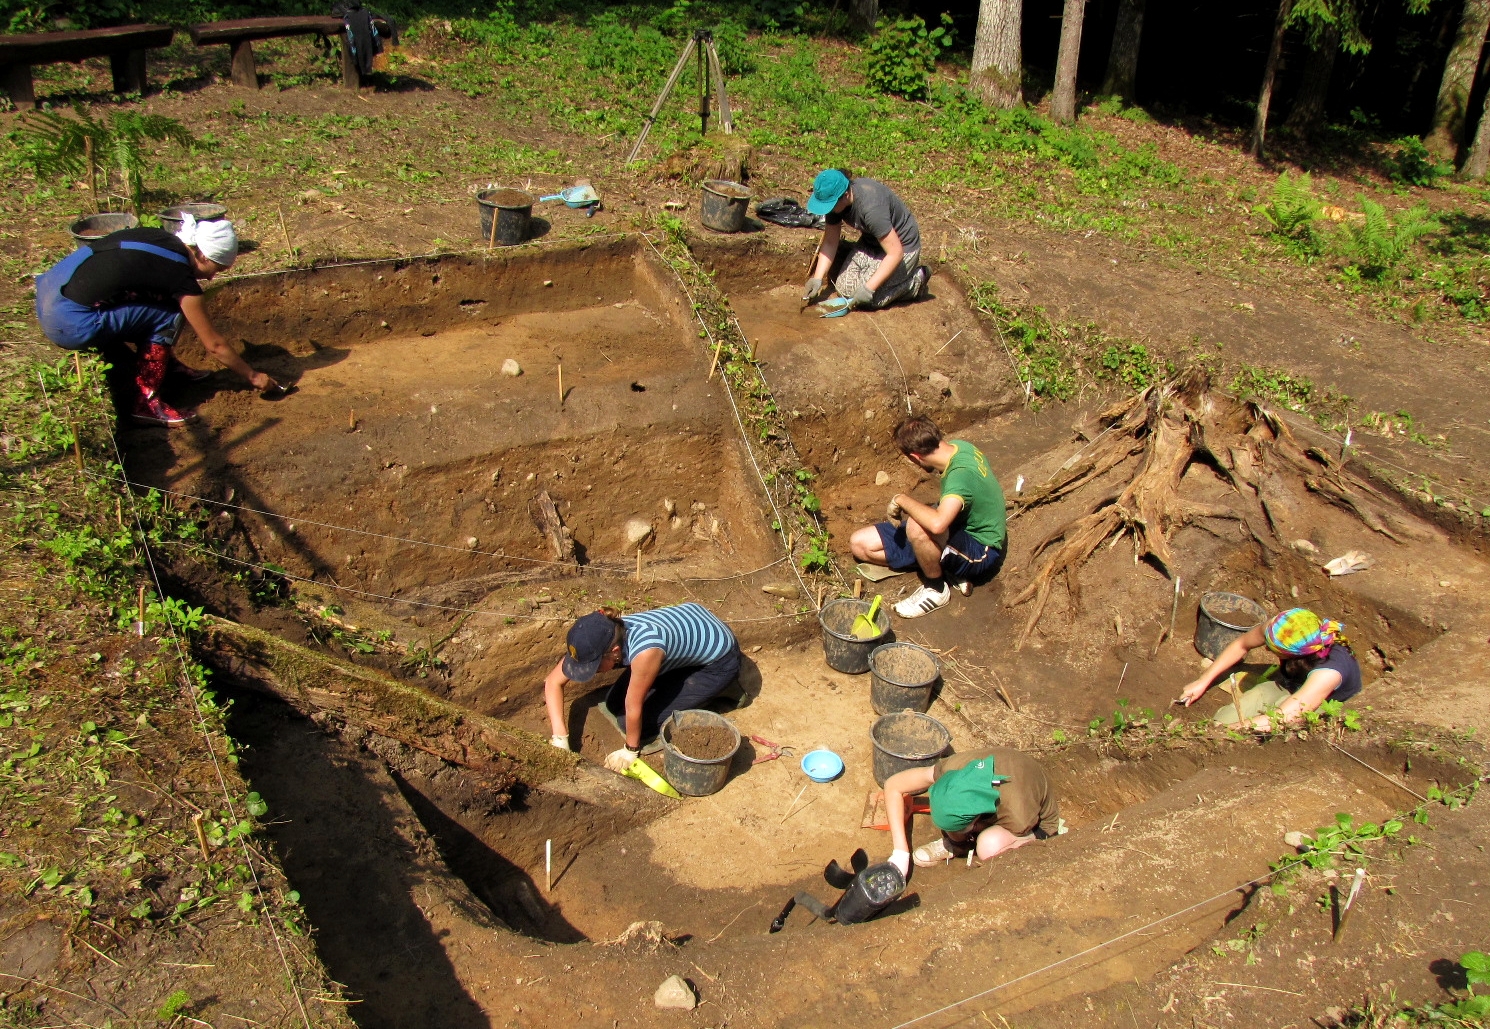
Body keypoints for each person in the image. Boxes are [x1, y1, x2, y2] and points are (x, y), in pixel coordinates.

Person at [34, 213, 279, 426]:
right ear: (202, 255)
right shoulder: (180, 276)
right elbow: (214, 345)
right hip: (68, 322)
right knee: (170, 315)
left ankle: (164, 366)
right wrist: (253, 376)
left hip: (50, 292)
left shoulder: (161, 239)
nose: (213, 278)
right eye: (216, 269)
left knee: (163, 301)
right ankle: (146, 404)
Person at [543, 603, 741, 773]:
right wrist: (560, 738)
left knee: (631, 722)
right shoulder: (605, 634)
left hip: (719, 661)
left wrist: (631, 750)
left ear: (614, 652)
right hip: (690, 632)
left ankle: (721, 690)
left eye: (592, 667)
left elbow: (633, 707)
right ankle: (678, 678)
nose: (591, 672)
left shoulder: (646, 650)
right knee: (613, 703)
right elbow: (553, 682)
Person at [849, 415, 1007, 618]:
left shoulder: (959, 476)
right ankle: (941, 565)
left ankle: (936, 589)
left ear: (915, 457)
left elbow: (939, 524)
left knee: (917, 526)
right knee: (860, 544)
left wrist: (901, 499)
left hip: (981, 550)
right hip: (957, 527)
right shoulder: (958, 447)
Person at [882, 746, 1062, 877]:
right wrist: (900, 853)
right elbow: (893, 786)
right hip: (1006, 780)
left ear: (977, 822)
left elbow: (1028, 821)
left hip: (1039, 825)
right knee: (954, 814)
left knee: (988, 846)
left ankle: (974, 844)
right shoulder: (953, 770)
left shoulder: (1016, 813)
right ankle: (959, 845)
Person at [1178, 608, 1362, 732]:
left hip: (1324, 704)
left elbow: (1282, 718)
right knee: (1224, 720)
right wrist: (1203, 681)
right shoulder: (1285, 627)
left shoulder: (1327, 673)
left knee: (1275, 725)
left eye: (1273, 650)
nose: (1265, 649)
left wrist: (1230, 731)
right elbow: (1242, 643)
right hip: (1293, 685)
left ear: (1297, 656)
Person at [801, 168, 930, 311]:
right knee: (845, 290)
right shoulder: (836, 203)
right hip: (872, 242)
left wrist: (869, 288)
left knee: (871, 299)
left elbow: (895, 253)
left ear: (845, 195)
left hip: (903, 248)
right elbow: (831, 241)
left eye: (829, 206)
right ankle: (878, 277)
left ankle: (916, 281)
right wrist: (817, 279)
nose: (827, 210)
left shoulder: (871, 209)